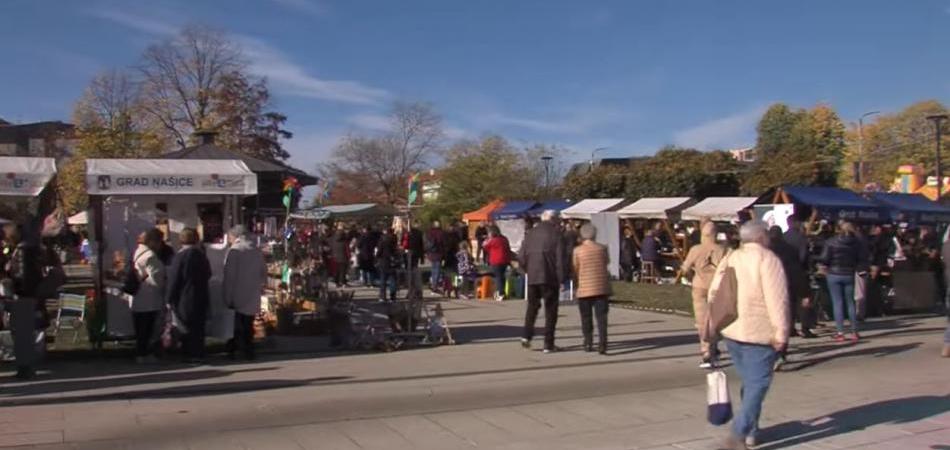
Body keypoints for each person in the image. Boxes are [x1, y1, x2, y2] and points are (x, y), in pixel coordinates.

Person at [716, 221, 790, 450]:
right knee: (758, 383)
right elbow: (777, 299)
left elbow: (715, 292)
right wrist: (782, 331)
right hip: (759, 332)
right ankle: (739, 433)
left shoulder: (731, 257)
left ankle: (751, 431)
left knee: (750, 383)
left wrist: (713, 323)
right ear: (760, 237)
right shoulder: (768, 260)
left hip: (733, 329)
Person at [518, 210, 566, 353]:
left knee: (532, 307)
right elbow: (560, 260)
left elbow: (521, 256)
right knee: (551, 310)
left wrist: (526, 270)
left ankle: (526, 336)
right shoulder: (557, 235)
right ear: (553, 219)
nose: (559, 222)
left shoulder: (530, 234)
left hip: (533, 275)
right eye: (558, 220)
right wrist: (561, 278)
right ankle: (548, 343)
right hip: (549, 276)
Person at [680, 221, 726, 367]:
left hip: (699, 286)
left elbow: (685, 268)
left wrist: (690, 276)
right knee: (716, 320)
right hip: (717, 288)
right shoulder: (722, 250)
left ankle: (706, 351)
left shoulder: (696, 249)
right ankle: (714, 347)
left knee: (701, 321)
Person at [2, 224, 43, 379]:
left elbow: (22, 275)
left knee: (22, 333)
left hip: (22, 296)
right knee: (22, 333)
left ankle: (25, 366)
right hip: (25, 295)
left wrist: (11, 280)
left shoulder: (23, 251)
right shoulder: (26, 250)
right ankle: (25, 365)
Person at [166, 228, 212, 363]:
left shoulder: (180, 257)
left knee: (186, 326)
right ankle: (198, 352)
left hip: (184, 296)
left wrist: (168, 298)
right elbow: (208, 274)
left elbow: (174, 279)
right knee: (198, 326)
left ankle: (189, 353)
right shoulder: (201, 255)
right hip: (201, 294)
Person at [818, 221, 869, 343]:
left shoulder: (831, 241)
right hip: (849, 274)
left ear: (838, 229)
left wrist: (823, 265)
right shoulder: (856, 243)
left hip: (833, 274)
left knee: (837, 303)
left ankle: (840, 332)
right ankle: (854, 331)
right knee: (850, 302)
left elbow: (824, 258)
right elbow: (861, 258)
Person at [223, 225, 266, 360]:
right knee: (248, 323)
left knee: (236, 324)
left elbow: (229, 276)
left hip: (237, 292)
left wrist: (227, 297)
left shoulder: (235, 251)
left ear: (234, 236)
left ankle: (234, 348)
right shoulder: (256, 250)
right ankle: (248, 349)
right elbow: (263, 272)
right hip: (252, 292)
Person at [573, 223, 610, 355]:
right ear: (594, 234)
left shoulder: (577, 251)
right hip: (601, 287)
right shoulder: (602, 249)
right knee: (602, 318)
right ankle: (603, 343)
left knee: (586, 317)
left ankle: (588, 342)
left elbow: (575, 268)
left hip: (584, 288)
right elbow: (607, 262)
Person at [131, 229, 166, 364]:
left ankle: (141, 352)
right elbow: (156, 280)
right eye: (159, 241)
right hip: (149, 299)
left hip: (138, 298)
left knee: (140, 329)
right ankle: (145, 353)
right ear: (153, 241)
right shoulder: (150, 256)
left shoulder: (138, 252)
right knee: (148, 328)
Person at [483, 226, 512, 301]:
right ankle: (503, 293)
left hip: (496, 261)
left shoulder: (494, 240)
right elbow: (508, 248)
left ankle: (500, 294)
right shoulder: (504, 239)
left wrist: (487, 239)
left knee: (498, 277)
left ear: (492, 232)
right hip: (505, 260)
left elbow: (485, 246)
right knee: (502, 277)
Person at [375, 227, 399, 302]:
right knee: (393, 280)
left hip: (384, 261)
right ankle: (393, 296)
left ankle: (383, 296)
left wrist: (376, 258)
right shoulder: (395, 239)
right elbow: (396, 250)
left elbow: (379, 252)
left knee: (383, 280)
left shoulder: (382, 240)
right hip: (392, 261)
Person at [426, 221, 446, 293]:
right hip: (439, 254)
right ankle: (435, 285)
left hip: (432, 254)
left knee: (433, 269)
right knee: (437, 270)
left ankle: (433, 283)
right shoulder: (442, 233)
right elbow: (444, 244)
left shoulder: (429, 232)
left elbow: (427, 243)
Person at [331, 224, 350, 288]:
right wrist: (349, 257)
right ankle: (343, 282)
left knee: (337, 270)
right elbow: (347, 249)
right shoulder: (344, 240)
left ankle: (336, 282)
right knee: (343, 271)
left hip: (335, 257)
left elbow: (331, 247)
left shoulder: (333, 239)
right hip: (343, 257)